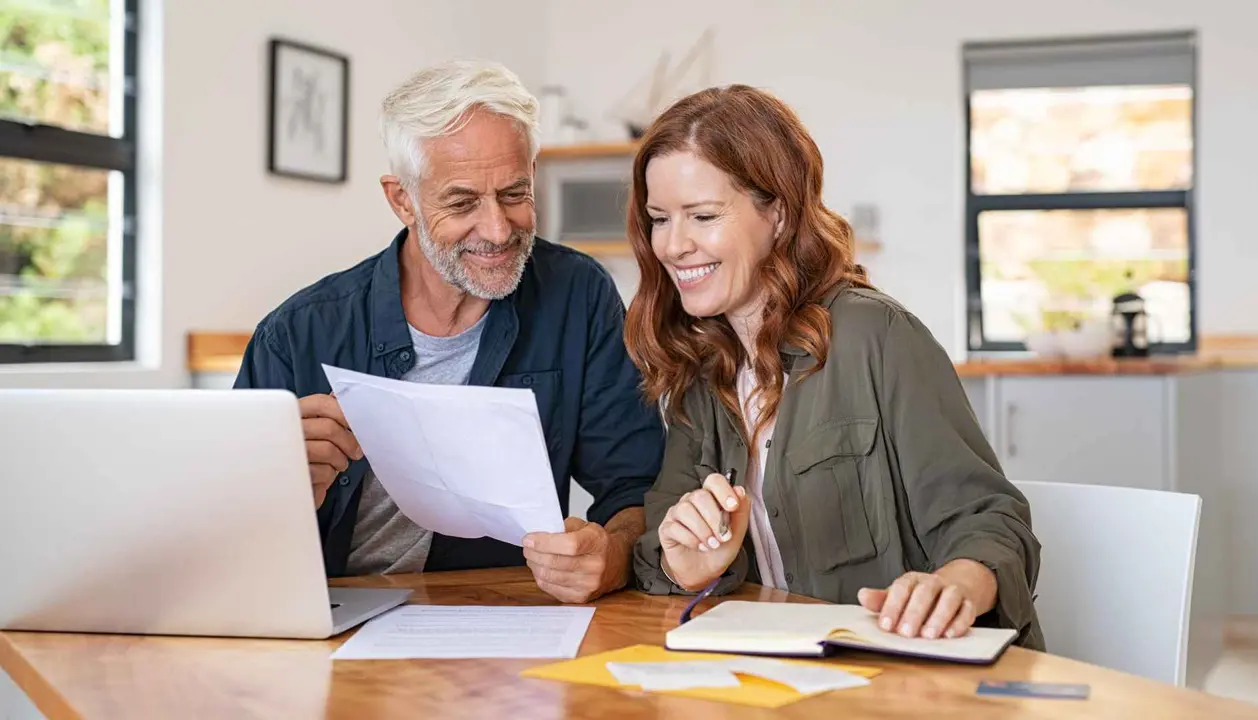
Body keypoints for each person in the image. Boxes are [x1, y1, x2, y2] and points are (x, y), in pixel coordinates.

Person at [627, 85, 1044, 649]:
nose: (673, 246)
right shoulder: (702, 368)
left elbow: (991, 520)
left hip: (906, 681)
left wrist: (956, 584)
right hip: (780, 677)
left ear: (777, 213)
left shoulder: (877, 336)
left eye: (702, 215)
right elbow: (658, 546)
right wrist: (688, 564)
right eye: (659, 219)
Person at [234, 60, 664, 604]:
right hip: (327, 617)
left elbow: (636, 487)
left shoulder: (577, 295)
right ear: (401, 200)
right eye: (462, 202)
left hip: (495, 616)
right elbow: (225, 535)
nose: (497, 229)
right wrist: (277, 485)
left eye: (514, 193)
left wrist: (613, 554)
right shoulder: (296, 334)